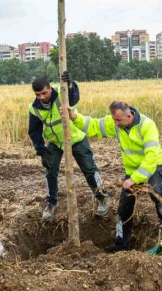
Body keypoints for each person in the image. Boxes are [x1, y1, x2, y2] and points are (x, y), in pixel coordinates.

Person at [70, 100, 162, 251]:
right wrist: (74, 118)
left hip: (153, 166)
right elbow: (93, 125)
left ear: (129, 115)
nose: (116, 123)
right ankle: (121, 246)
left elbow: (151, 156)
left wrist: (134, 179)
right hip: (131, 170)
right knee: (124, 209)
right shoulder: (116, 123)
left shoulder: (147, 125)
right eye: (114, 119)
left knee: (157, 192)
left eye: (118, 120)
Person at [29, 72, 109, 220]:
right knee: (50, 171)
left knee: (89, 168)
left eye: (44, 93)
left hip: (76, 138)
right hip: (55, 142)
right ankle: (51, 203)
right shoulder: (34, 107)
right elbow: (34, 131)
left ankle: (102, 197)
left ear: (50, 88)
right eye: (37, 94)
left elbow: (74, 98)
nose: (41, 97)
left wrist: (70, 85)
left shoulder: (62, 93)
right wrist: (41, 151)